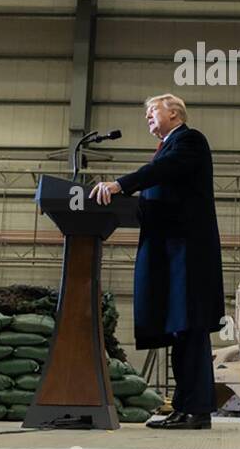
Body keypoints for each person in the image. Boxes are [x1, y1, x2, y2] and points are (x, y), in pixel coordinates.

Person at [91, 93, 224, 431]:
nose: (148, 116)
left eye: (153, 110)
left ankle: (197, 411)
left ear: (175, 113)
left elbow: (162, 170)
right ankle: (185, 407)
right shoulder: (168, 148)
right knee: (180, 330)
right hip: (173, 255)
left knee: (190, 329)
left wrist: (121, 185)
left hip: (188, 255)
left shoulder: (190, 141)